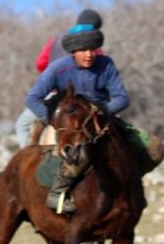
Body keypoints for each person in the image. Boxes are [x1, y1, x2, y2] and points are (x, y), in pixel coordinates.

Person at [25, 21, 129, 215]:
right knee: (78, 156)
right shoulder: (57, 68)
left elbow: (122, 98)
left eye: (92, 49)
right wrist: (53, 121)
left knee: (153, 148)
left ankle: (132, 193)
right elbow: (32, 98)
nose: (89, 54)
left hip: (101, 120)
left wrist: (103, 111)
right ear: (73, 51)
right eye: (83, 50)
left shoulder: (106, 64)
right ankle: (56, 193)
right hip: (68, 124)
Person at [15, 9, 104, 148]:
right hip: (85, 96)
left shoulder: (56, 40)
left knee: (23, 125)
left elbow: (40, 64)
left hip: (55, 94)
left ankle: (25, 155)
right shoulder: (95, 49)